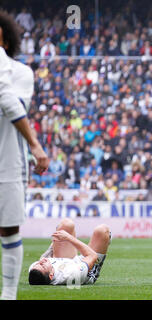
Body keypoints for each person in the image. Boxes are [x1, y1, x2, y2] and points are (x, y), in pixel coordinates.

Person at [0, 12, 49, 300]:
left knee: (8, 228)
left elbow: (8, 101)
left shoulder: (21, 73)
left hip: (8, 159)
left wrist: (34, 144)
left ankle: (8, 294)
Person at [28, 218, 110, 285]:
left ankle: (62, 230)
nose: (42, 261)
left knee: (67, 224)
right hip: (87, 266)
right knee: (102, 230)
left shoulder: (34, 269)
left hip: (62, 259)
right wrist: (68, 238)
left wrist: (57, 239)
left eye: (39, 263)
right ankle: (106, 240)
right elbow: (92, 256)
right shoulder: (70, 274)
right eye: (43, 265)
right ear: (51, 274)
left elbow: (43, 258)